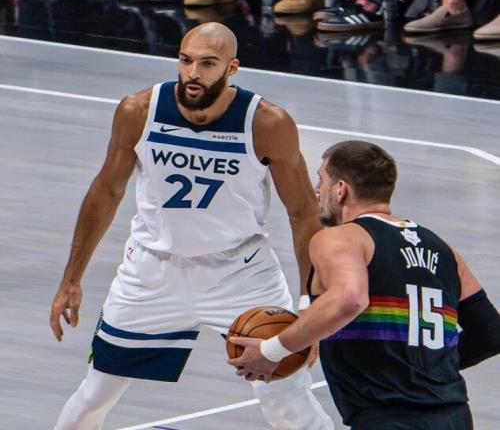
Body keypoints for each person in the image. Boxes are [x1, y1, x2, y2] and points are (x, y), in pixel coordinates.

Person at [50, 22, 334, 430]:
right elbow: (106, 190)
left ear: (232, 68)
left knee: (286, 400)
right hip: (151, 271)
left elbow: (304, 212)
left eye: (207, 63)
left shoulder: (267, 122)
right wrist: (71, 279)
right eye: (186, 60)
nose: (193, 73)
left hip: (241, 275)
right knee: (95, 394)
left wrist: (310, 303)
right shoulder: (139, 110)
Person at [229, 140, 500, 429]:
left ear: (341, 189)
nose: (317, 189)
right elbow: (491, 333)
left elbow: (349, 299)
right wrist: (432, 368)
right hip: (454, 416)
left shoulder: (341, 238)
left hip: (389, 419)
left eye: (321, 179)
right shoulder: (443, 248)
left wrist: (271, 351)